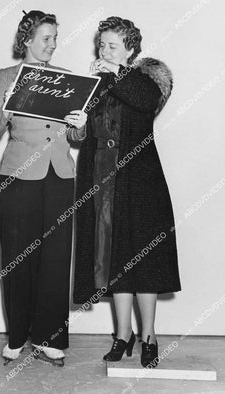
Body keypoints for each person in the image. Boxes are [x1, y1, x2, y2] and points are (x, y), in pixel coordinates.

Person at [72, 16, 180, 368]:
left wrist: (116, 72)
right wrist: (79, 125)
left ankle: (148, 335)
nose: (104, 51)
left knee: (144, 263)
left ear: (130, 50)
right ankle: (123, 334)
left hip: (141, 184)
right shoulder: (95, 83)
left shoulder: (148, 79)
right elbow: (87, 131)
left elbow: (143, 101)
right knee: (115, 261)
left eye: (112, 45)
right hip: (103, 182)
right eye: (101, 44)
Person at [0, 10, 87, 367]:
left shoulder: (66, 78)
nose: (52, 45)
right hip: (19, 175)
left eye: (55, 38)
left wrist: (80, 124)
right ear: (26, 40)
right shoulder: (3, 77)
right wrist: (8, 100)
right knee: (17, 255)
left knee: (57, 258)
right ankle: (17, 336)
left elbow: (76, 135)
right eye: (46, 38)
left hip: (60, 175)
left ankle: (50, 337)